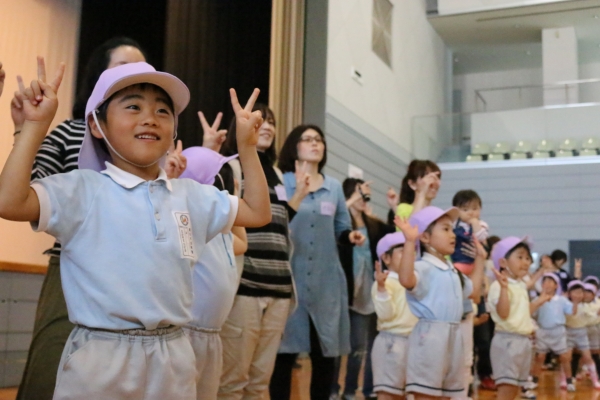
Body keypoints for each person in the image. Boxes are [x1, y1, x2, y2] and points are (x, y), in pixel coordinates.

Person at [0, 60, 271, 398]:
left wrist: (247, 148)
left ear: (174, 130)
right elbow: (9, 202)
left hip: (174, 355)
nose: (150, 118)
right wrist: (34, 127)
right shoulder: (82, 189)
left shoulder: (192, 196)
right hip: (101, 357)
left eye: (163, 111)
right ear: (97, 124)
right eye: (133, 107)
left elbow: (257, 212)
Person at [9, 37, 148, 400]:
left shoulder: (150, 139)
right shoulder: (71, 131)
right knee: (52, 361)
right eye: (124, 66)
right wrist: (24, 130)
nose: (134, 74)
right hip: (74, 266)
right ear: (99, 76)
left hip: (137, 271)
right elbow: (25, 193)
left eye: (141, 67)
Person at [217, 104, 311, 400]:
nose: (267, 126)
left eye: (271, 122)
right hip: (246, 286)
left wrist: (298, 197)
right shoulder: (231, 167)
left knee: (260, 384)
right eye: (260, 121)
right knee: (232, 382)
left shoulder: (278, 174)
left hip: (279, 287)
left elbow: (275, 224)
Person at [269, 125, 365, 400]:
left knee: (324, 359)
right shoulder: (282, 181)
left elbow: (341, 228)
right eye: (308, 139)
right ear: (294, 146)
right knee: (283, 357)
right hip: (290, 281)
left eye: (319, 140)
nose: (315, 144)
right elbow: (275, 220)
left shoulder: (333, 187)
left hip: (326, 284)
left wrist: (350, 236)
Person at [394, 206, 485, 399]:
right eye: (445, 229)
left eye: (452, 229)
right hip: (430, 338)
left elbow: (474, 293)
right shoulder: (423, 266)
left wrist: (480, 259)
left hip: (454, 335)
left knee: (447, 394)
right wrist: (409, 242)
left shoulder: (453, 271)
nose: (452, 235)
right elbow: (406, 279)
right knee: (426, 394)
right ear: (425, 237)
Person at [179, 147, 248, 399]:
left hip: (211, 337)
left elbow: (243, 244)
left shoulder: (222, 233)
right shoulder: (192, 226)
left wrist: (234, 200)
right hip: (186, 332)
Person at [331, 178, 394, 399]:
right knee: (336, 347)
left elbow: (395, 231)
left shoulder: (373, 225)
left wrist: (393, 206)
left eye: (366, 194)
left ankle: (350, 390)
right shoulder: (340, 223)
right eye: (360, 192)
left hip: (365, 294)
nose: (364, 198)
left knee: (358, 347)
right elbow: (327, 224)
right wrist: (349, 202)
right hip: (342, 292)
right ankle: (332, 390)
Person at [487, 237, 550, 400]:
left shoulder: (519, 285)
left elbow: (523, 312)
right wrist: (503, 289)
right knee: (506, 389)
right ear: (503, 262)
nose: (526, 262)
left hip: (522, 341)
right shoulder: (499, 286)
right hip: (507, 341)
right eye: (520, 257)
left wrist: (539, 301)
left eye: (528, 258)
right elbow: (503, 313)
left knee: (514, 389)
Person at [370, 232, 418, 400]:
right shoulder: (386, 282)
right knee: (388, 393)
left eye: (412, 251)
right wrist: (381, 289)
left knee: (410, 393)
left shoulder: (414, 281)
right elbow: (385, 315)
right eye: (403, 251)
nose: (410, 256)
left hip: (414, 342)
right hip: (391, 343)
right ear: (386, 258)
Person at [530, 273, 576, 391]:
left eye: (551, 282)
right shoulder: (537, 300)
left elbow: (572, 311)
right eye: (545, 282)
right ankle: (534, 380)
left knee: (564, 357)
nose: (547, 284)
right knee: (540, 357)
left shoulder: (562, 300)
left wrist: (575, 301)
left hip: (558, 331)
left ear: (556, 285)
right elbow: (532, 313)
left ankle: (569, 381)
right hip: (542, 331)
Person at [565, 280, 600, 389]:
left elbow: (591, 318)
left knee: (589, 356)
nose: (578, 295)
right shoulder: (566, 304)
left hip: (582, 332)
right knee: (567, 357)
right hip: (568, 332)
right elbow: (569, 315)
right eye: (575, 292)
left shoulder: (587, 306)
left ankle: (595, 380)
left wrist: (597, 315)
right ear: (569, 293)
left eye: (580, 292)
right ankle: (567, 379)